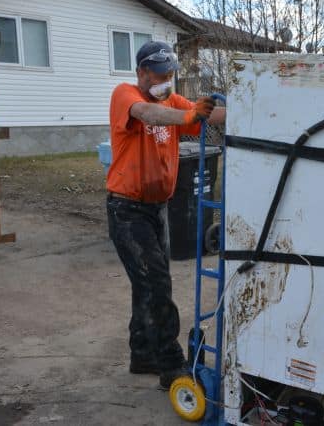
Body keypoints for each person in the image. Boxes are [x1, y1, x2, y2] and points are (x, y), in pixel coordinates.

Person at [106, 41, 226, 389]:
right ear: (141, 72)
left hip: (158, 208)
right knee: (155, 283)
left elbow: (208, 115)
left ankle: (142, 353)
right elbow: (148, 115)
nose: (166, 81)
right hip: (126, 210)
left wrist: (249, 111)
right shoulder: (125, 95)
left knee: (150, 284)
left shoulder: (173, 101)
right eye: (160, 75)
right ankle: (172, 365)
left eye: (170, 75)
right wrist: (188, 115)